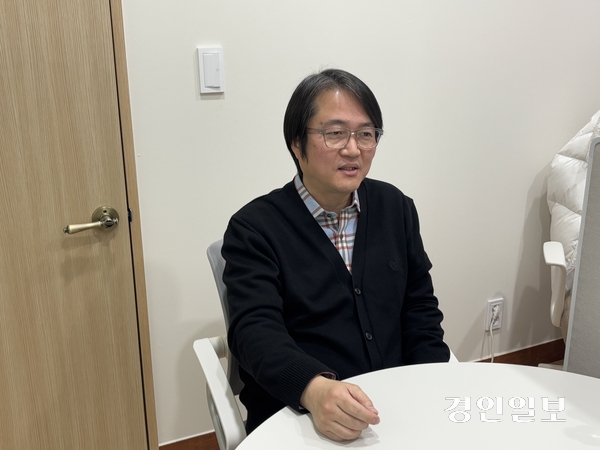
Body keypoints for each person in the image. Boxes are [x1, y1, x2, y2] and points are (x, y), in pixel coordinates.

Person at [221, 68, 450, 441]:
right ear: (297, 143)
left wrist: (432, 382)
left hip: (394, 405)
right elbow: (255, 332)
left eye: (366, 134)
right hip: (298, 413)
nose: (353, 149)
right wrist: (313, 389)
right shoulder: (254, 228)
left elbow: (419, 307)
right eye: (335, 133)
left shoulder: (395, 207)